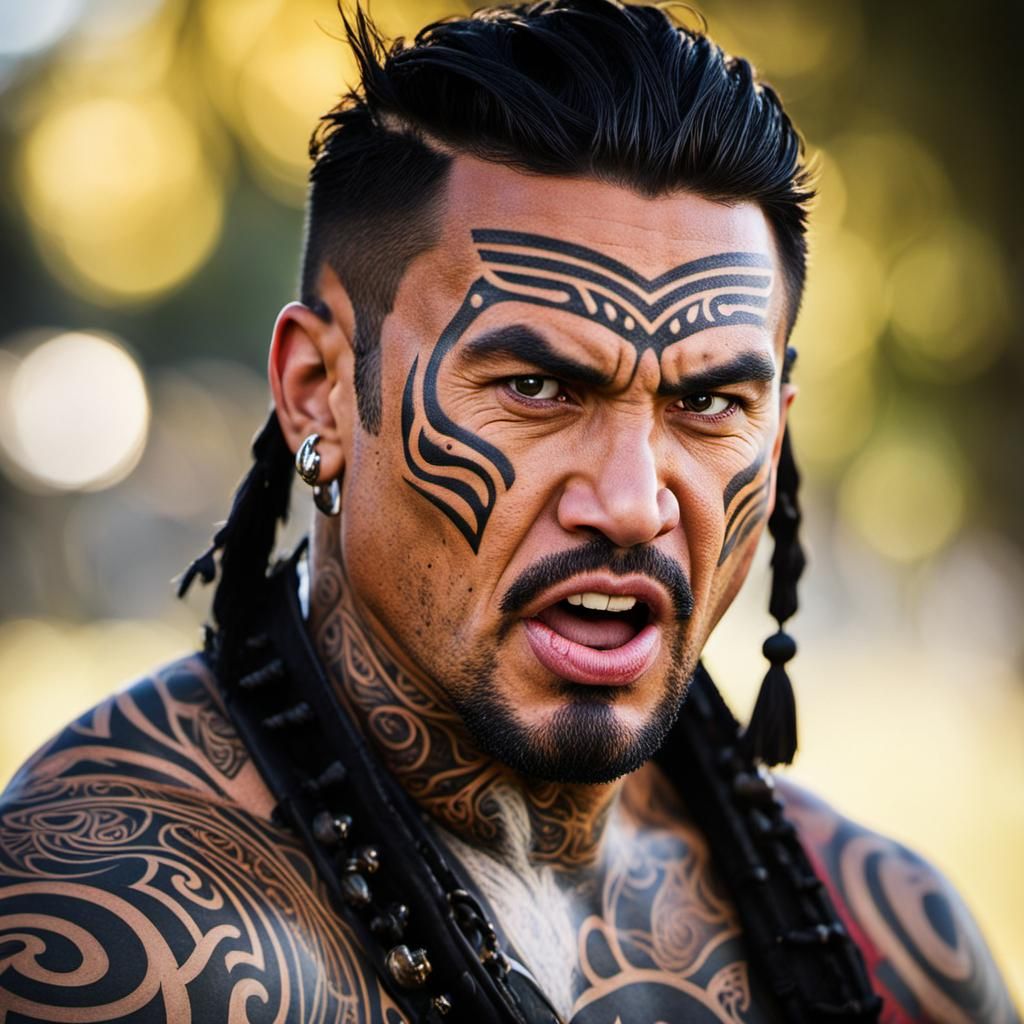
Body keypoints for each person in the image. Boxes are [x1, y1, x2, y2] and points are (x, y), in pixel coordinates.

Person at [0, 2, 1018, 1021]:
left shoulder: (891, 940)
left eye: (706, 403)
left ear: (777, 432)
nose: (629, 504)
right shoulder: (112, 942)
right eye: (537, 387)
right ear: (318, 389)